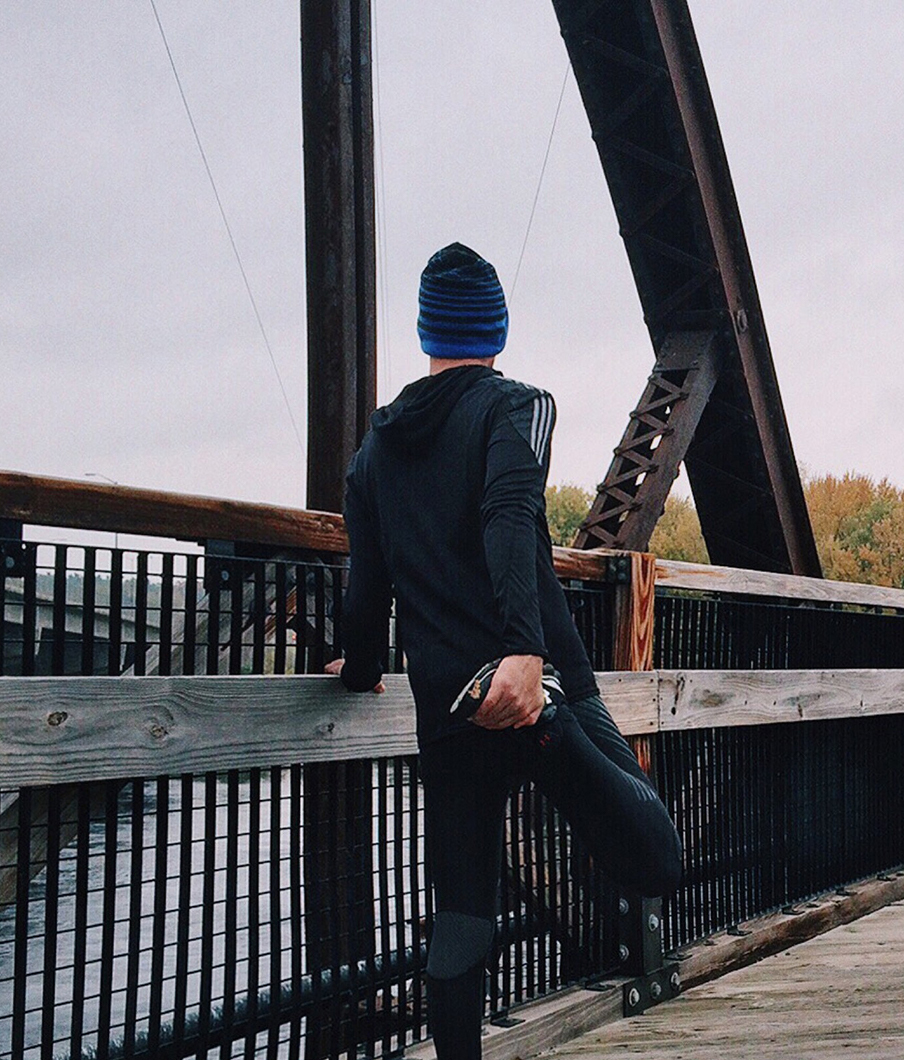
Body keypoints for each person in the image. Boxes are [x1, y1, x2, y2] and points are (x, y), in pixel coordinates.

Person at [326, 242, 682, 1059]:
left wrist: (359, 667)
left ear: (427, 333)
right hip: (538, 687)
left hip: (449, 707)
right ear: (497, 330)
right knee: (656, 859)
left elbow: (367, 585)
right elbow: (509, 517)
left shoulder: (373, 454)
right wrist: (525, 656)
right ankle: (550, 732)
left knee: (461, 918)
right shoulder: (518, 406)